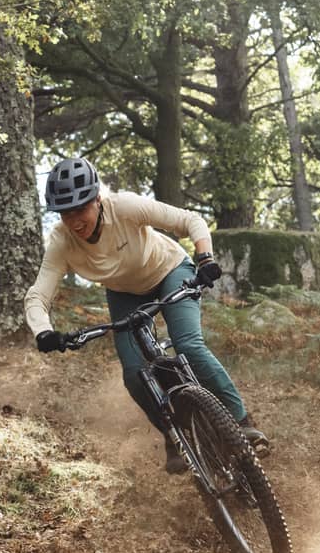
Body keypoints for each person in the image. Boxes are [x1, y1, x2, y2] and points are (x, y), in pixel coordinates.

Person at [24, 157, 267, 474]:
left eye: (80, 208)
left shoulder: (124, 207)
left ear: (97, 199)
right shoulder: (61, 241)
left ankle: (241, 420)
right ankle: (174, 434)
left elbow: (189, 219)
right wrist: (43, 331)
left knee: (189, 345)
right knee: (135, 372)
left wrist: (204, 256)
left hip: (170, 271)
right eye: (65, 213)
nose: (74, 220)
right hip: (125, 293)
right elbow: (38, 294)